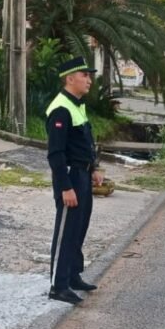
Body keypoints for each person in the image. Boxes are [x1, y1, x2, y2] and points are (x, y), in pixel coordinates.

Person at [46, 55, 104, 305]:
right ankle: (58, 285)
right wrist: (65, 188)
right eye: (85, 75)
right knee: (66, 230)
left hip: (82, 173)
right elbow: (56, 153)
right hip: (69, 175)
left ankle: (72, 275)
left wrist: (94, 167)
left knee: (79, 228)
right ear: (70, 79)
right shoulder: (60, 108)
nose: (89, 80)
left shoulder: (77, 105)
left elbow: (84, 142)